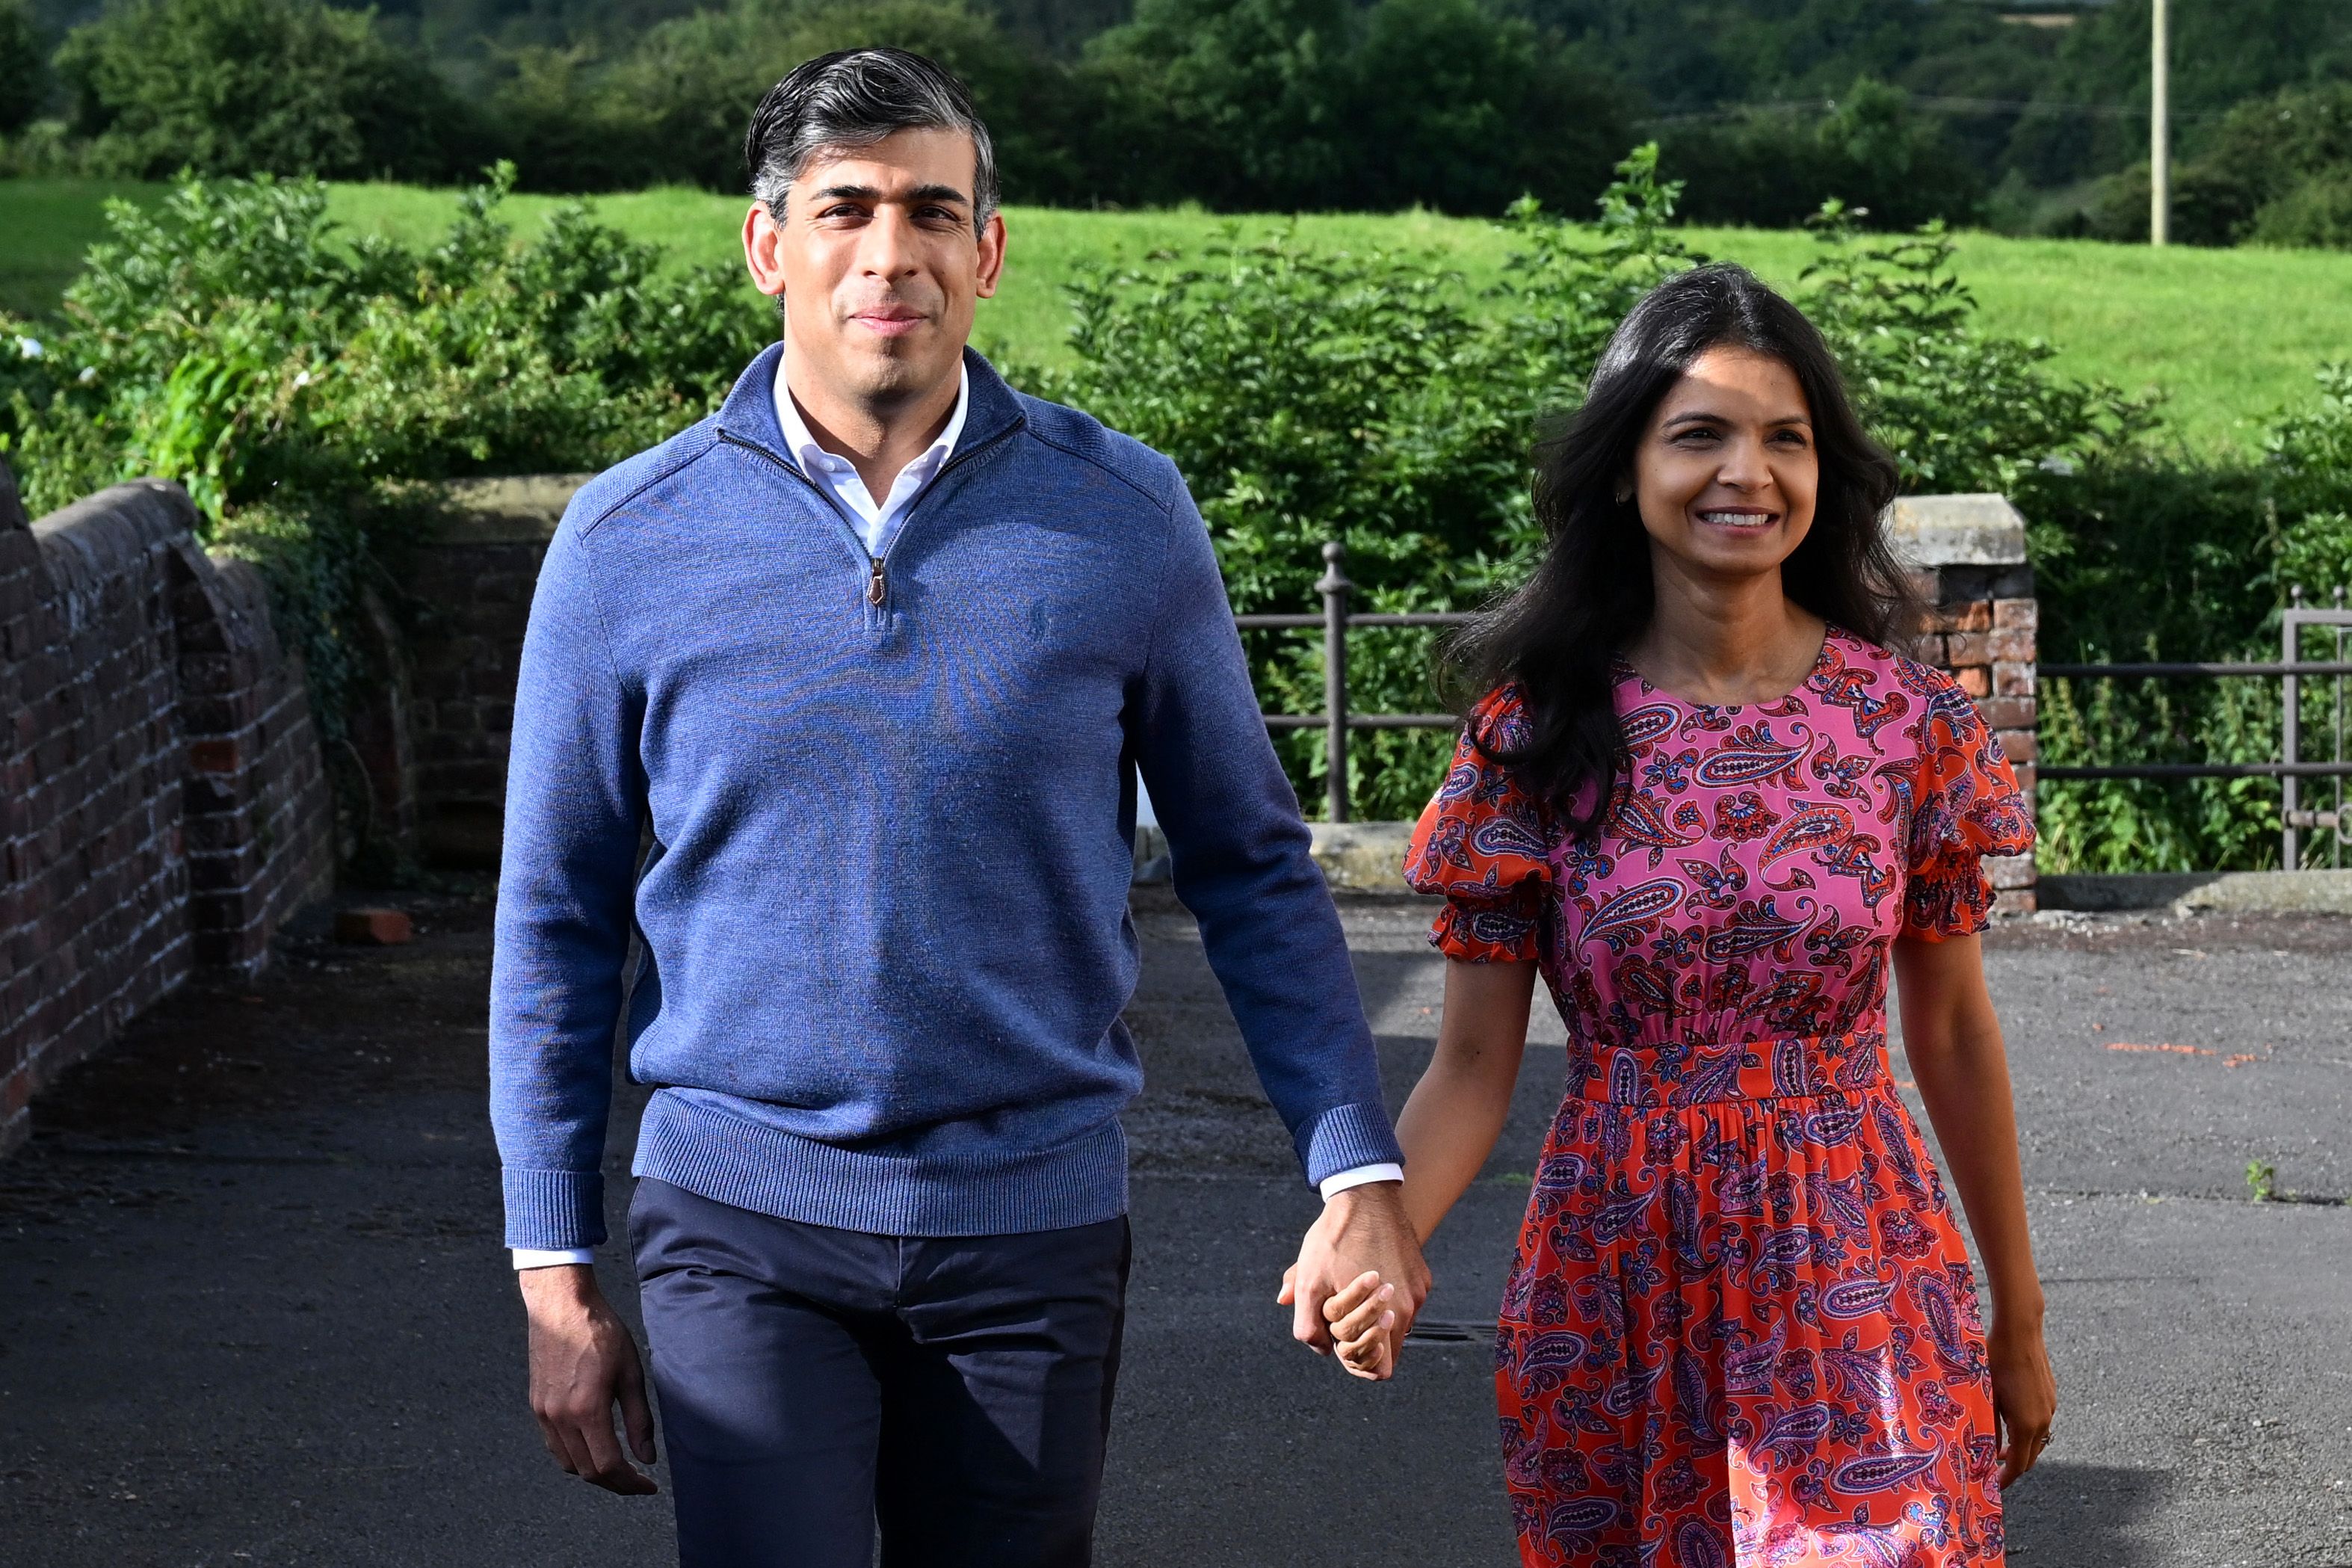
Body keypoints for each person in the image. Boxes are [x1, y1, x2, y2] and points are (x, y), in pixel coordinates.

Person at [487, 47, 1429, 1567]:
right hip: (737, 1213)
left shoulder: (1119, 516)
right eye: (844, 207)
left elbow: (1249, 865)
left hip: (1031, 1221)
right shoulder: (625, 540)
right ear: (766, 245)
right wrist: (552, 1260)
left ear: (984, 252)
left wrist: (1354, 1166)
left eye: (932, 211)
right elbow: (555, 912)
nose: (889, 251)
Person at [1328, 264, 2056, 1564]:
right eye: (1700, 435)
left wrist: (2020, 1309)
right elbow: (1476, 1063)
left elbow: (1952, 1034)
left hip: (1862, 1261)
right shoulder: (1535, 736)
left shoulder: (1906, 728)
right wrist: (1379, 1229)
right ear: (1627, 468)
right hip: (1616, 1278)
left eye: (1787, 438)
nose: (1748, 473)